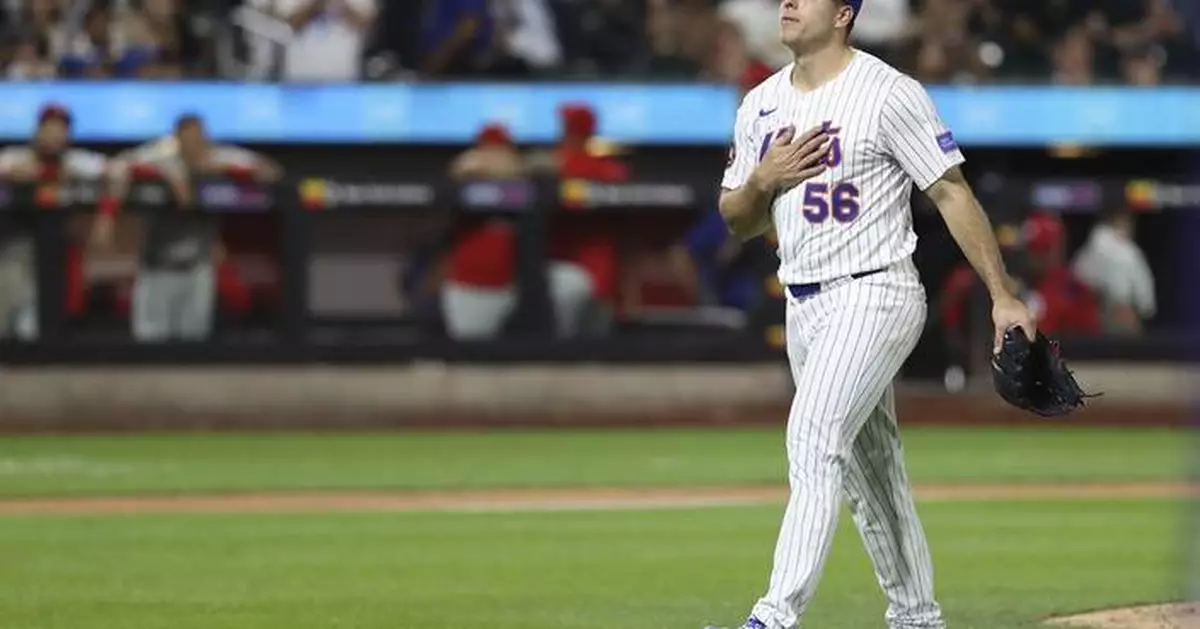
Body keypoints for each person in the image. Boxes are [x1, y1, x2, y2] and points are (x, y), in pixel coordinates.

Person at [708, 1, 1036, 628]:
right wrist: (763, 180)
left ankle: (773, 619)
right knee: (874, 476)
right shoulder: (761, 103)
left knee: (812, 438)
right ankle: (917, 617)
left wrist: (1003, 294)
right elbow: (739, 219)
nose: (787, 3)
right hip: (804, 305)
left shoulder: (888, 93)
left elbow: (950, 191)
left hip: (875, 291)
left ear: (843, 15)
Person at [91, 114, 282, 342]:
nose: (193, 143)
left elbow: (271, 171)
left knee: (194, 345)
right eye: (187, 138)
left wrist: (220, 169)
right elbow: (116, 166)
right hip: (156, 266)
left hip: (197, 268)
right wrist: (168, 174)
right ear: (177, 138)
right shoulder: (161, 154)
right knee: (149, 343)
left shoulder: (217, 154)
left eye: (197, 137)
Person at [0, 104, 108, 340]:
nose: (54, 136)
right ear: (38, 131)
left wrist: (103, 220)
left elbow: (115, 169)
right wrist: (14, 174)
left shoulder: (76, 161)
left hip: (53, 251)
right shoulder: (14, 157)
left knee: (33, 323)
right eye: (49, 129)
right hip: (13, 249)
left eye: (61, 130)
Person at [1071, 208, 1156, 334]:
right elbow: (1146, 304)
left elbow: (1075, 277)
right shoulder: (1128, 252)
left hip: (1088, 322)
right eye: (1128, 221)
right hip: (1115, 315)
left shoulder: (1087, 249)